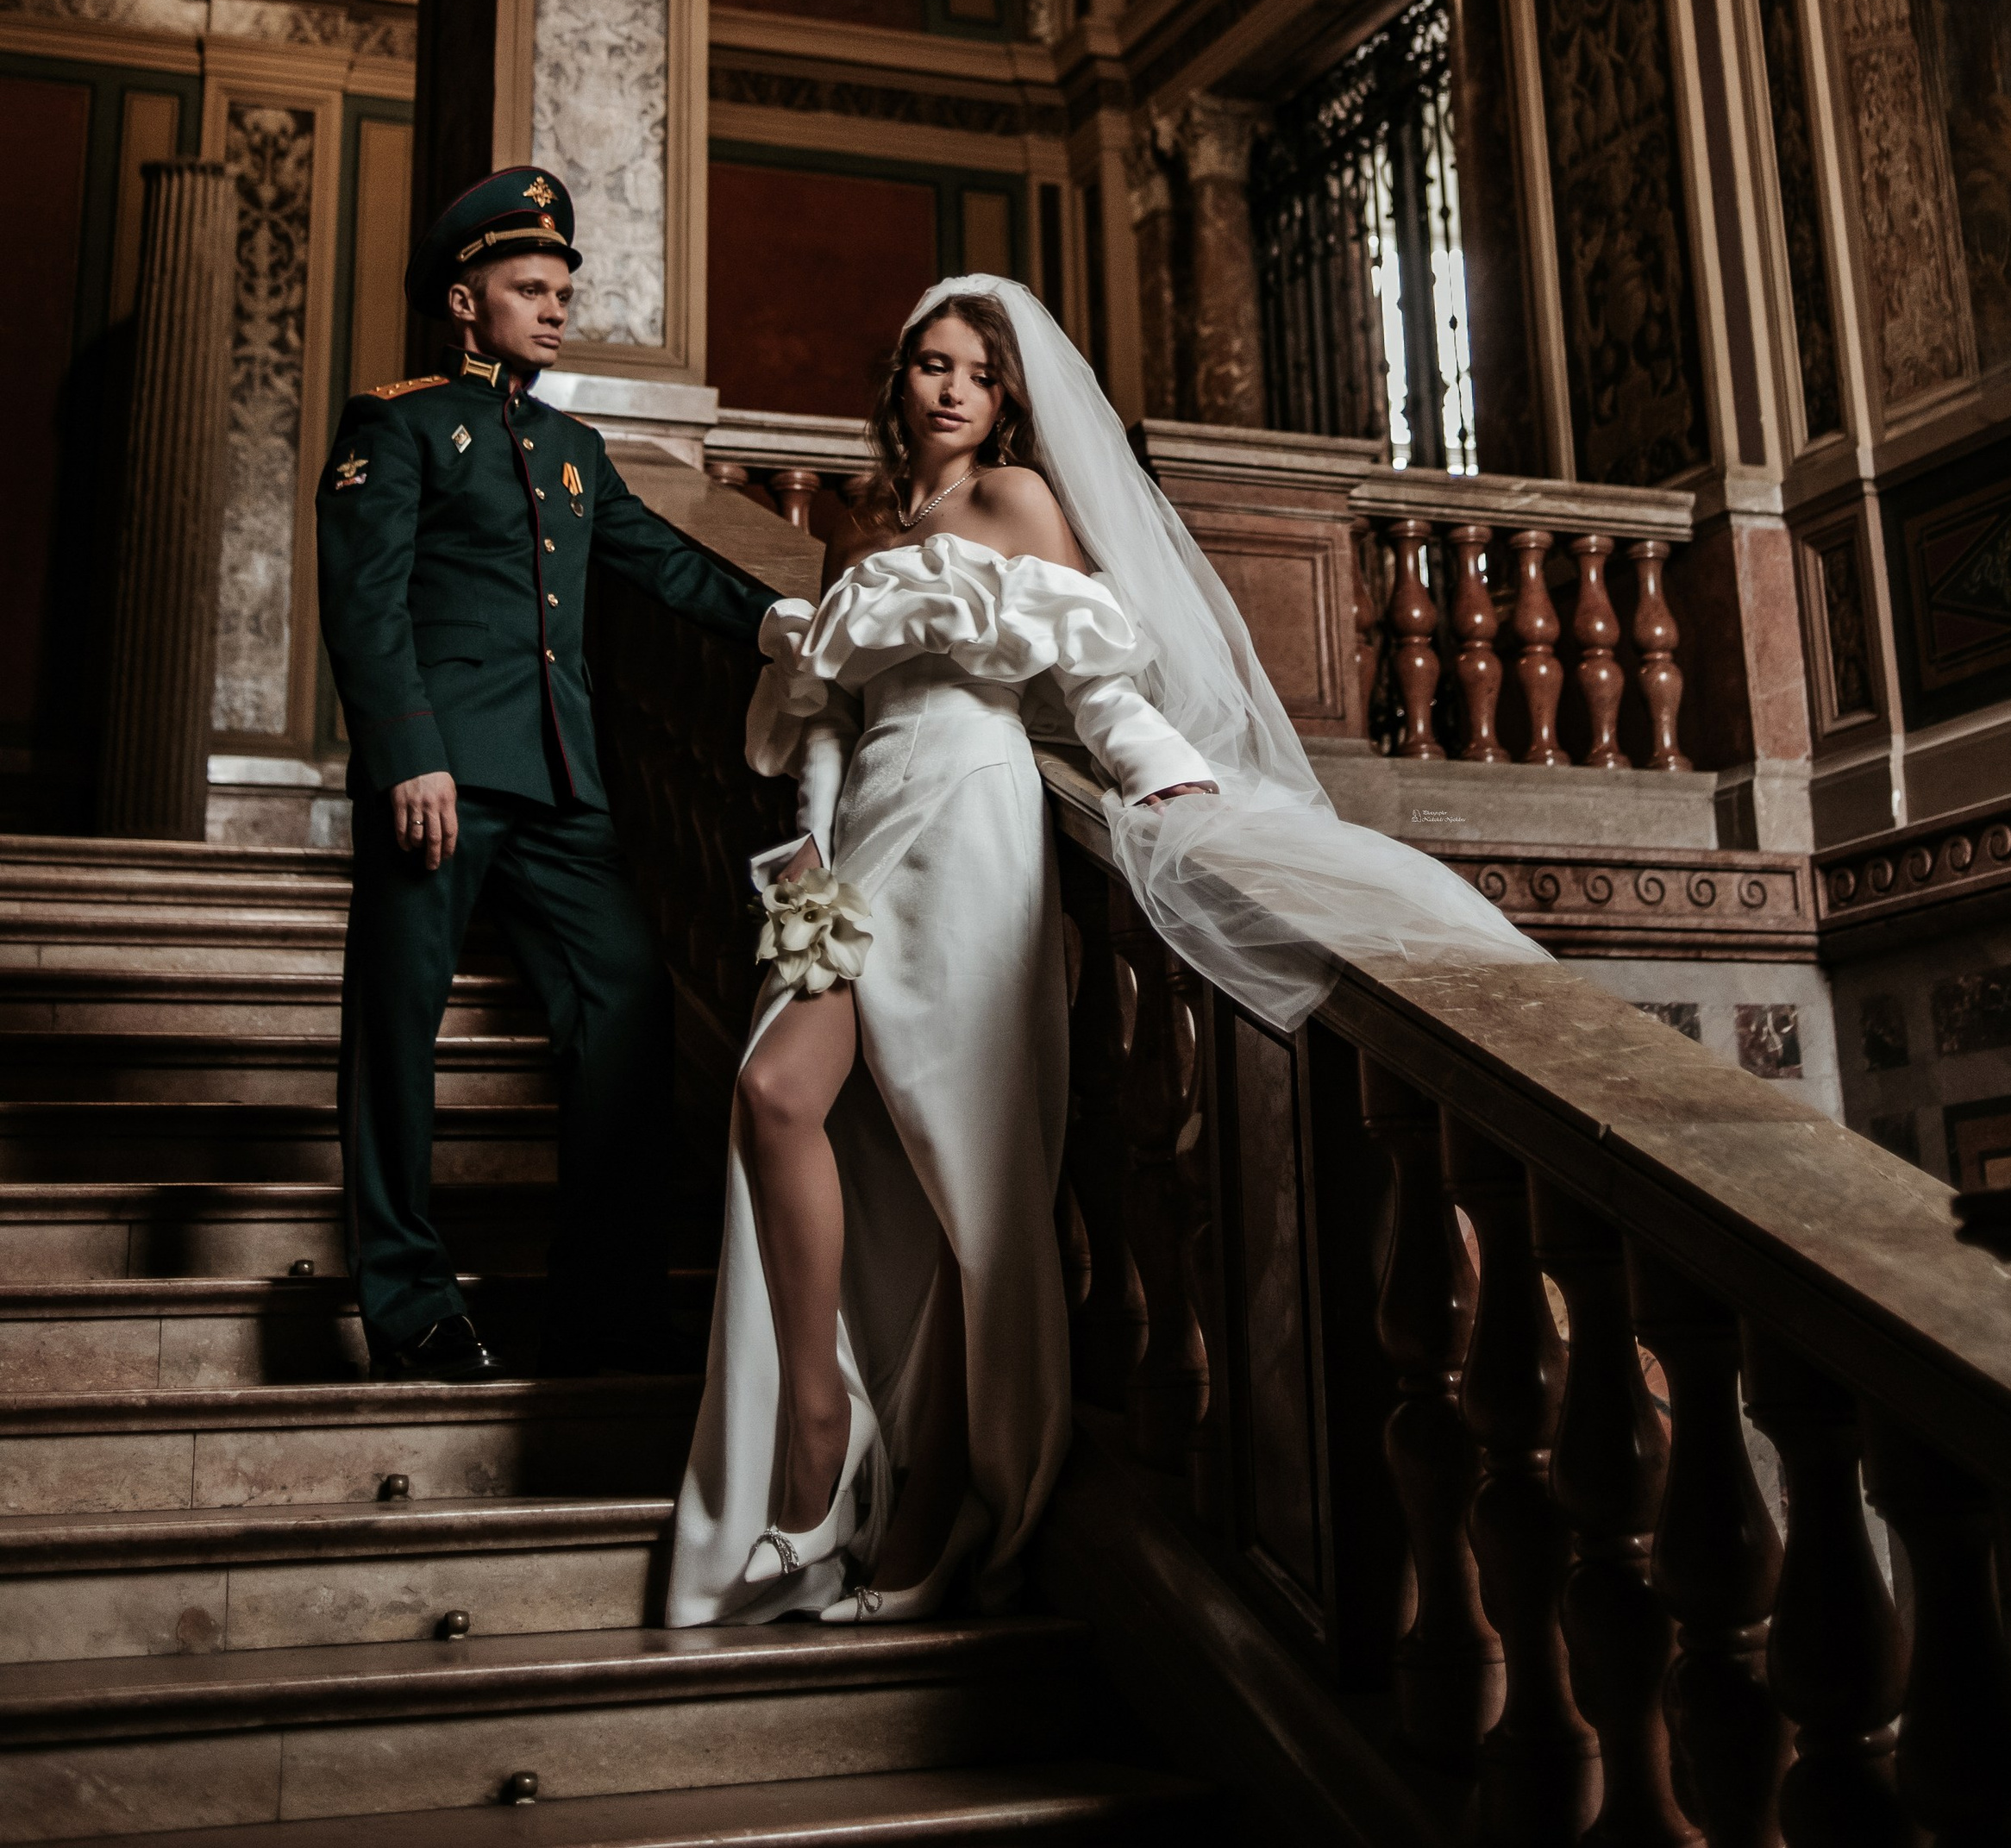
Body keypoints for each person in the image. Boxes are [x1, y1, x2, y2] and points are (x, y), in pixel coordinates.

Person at [667, 273, 1544, 1629]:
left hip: (972, 819)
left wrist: (1169, 784)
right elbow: (825, 718)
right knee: (778, 1096)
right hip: (856, 849)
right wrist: (809, 855)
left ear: (1005, 396)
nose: (953, 389)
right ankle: (820, 1420)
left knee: (957, 1161)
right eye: (930, 366)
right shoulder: (856, 537)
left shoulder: (1019, 507)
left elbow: (1093, 679)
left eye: (976, 371)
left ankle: (940, 1503)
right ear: (897, 383)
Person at [317, 164, 780, 1384]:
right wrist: (408, 752)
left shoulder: (573, 447)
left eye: (565, 288)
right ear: (467, 302)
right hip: (444, 779)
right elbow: (365, 607)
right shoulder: (399, 423)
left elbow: (668, 570)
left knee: (625, 1005)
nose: (557, 307)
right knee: (398, 1026)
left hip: (566, 787)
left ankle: (608, 1312)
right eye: (531, 287)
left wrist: (799, 623)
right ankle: (411, 1305)